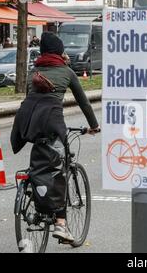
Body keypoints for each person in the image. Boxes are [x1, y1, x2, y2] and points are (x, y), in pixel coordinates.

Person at [11, 32, 100, 243]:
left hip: (28, 123)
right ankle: (61, 224)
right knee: (61, 167)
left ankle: (33, 193)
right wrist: (94, 126)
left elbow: (30, 99)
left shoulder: (34, 71)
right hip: (52, 121)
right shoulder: (67, 72)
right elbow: (84, 103)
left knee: (40, 160)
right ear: (60, 52)